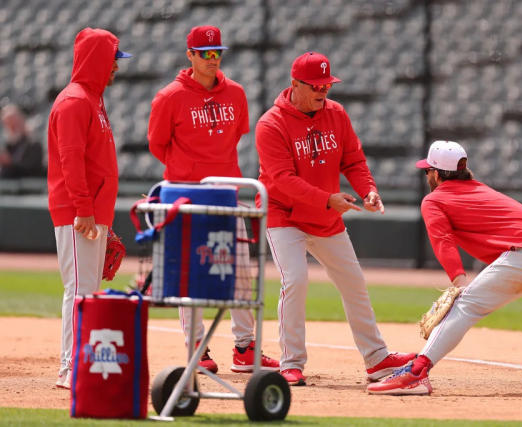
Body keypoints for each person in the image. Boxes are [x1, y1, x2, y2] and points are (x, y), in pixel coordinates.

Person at [367, 140, 522, 395]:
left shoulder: (434, 200)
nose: (427, 174)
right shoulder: (482, 190)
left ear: (437, 174)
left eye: (427, 170)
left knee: (465, 304)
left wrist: (459, 280)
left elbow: (443, 241)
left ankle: (416, 373)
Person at [255, 51, 416, 386]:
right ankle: (291, 362)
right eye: (315, 85)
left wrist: (368, 189)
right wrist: (326, 199)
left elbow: (354, 160)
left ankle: (376, 359)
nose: (322, 91)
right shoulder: (271, 123)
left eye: (326, 84)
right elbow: (282, 179)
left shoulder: (336, 114)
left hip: (325, 214)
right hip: (284, 214)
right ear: (294, 84)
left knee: (353, 282)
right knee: (296, 280)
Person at [148, 25, 279, 374]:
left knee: (237, 269)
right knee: (189, 274)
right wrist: (188, 168)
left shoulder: (235, 93)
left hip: (226, 191)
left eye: (217, 52)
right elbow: (158, 144)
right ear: (189, 55)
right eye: (205, 53)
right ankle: (197, 348)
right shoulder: (169, 96)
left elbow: (236, 135)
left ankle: (245, 346)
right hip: (186, 196)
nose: (213, 58)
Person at [47, 27, 132, 389]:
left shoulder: (93, 99)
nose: (116, 68)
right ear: (98, 60)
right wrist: (84, 210)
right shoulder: (74, 101)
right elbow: (70, 160)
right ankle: (70, 369)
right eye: (113, 60)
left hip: (92, 215)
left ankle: (81, 363)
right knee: (80, 291)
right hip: (77, 214)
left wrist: (103, 220)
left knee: (89, 292)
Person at [0, 103, 45, 177]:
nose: (12, 127)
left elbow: (32, 168)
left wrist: (10, 162)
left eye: (14, 122)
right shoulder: (8, 145)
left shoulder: (34, 143)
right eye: (8, 124)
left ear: (22, 120)